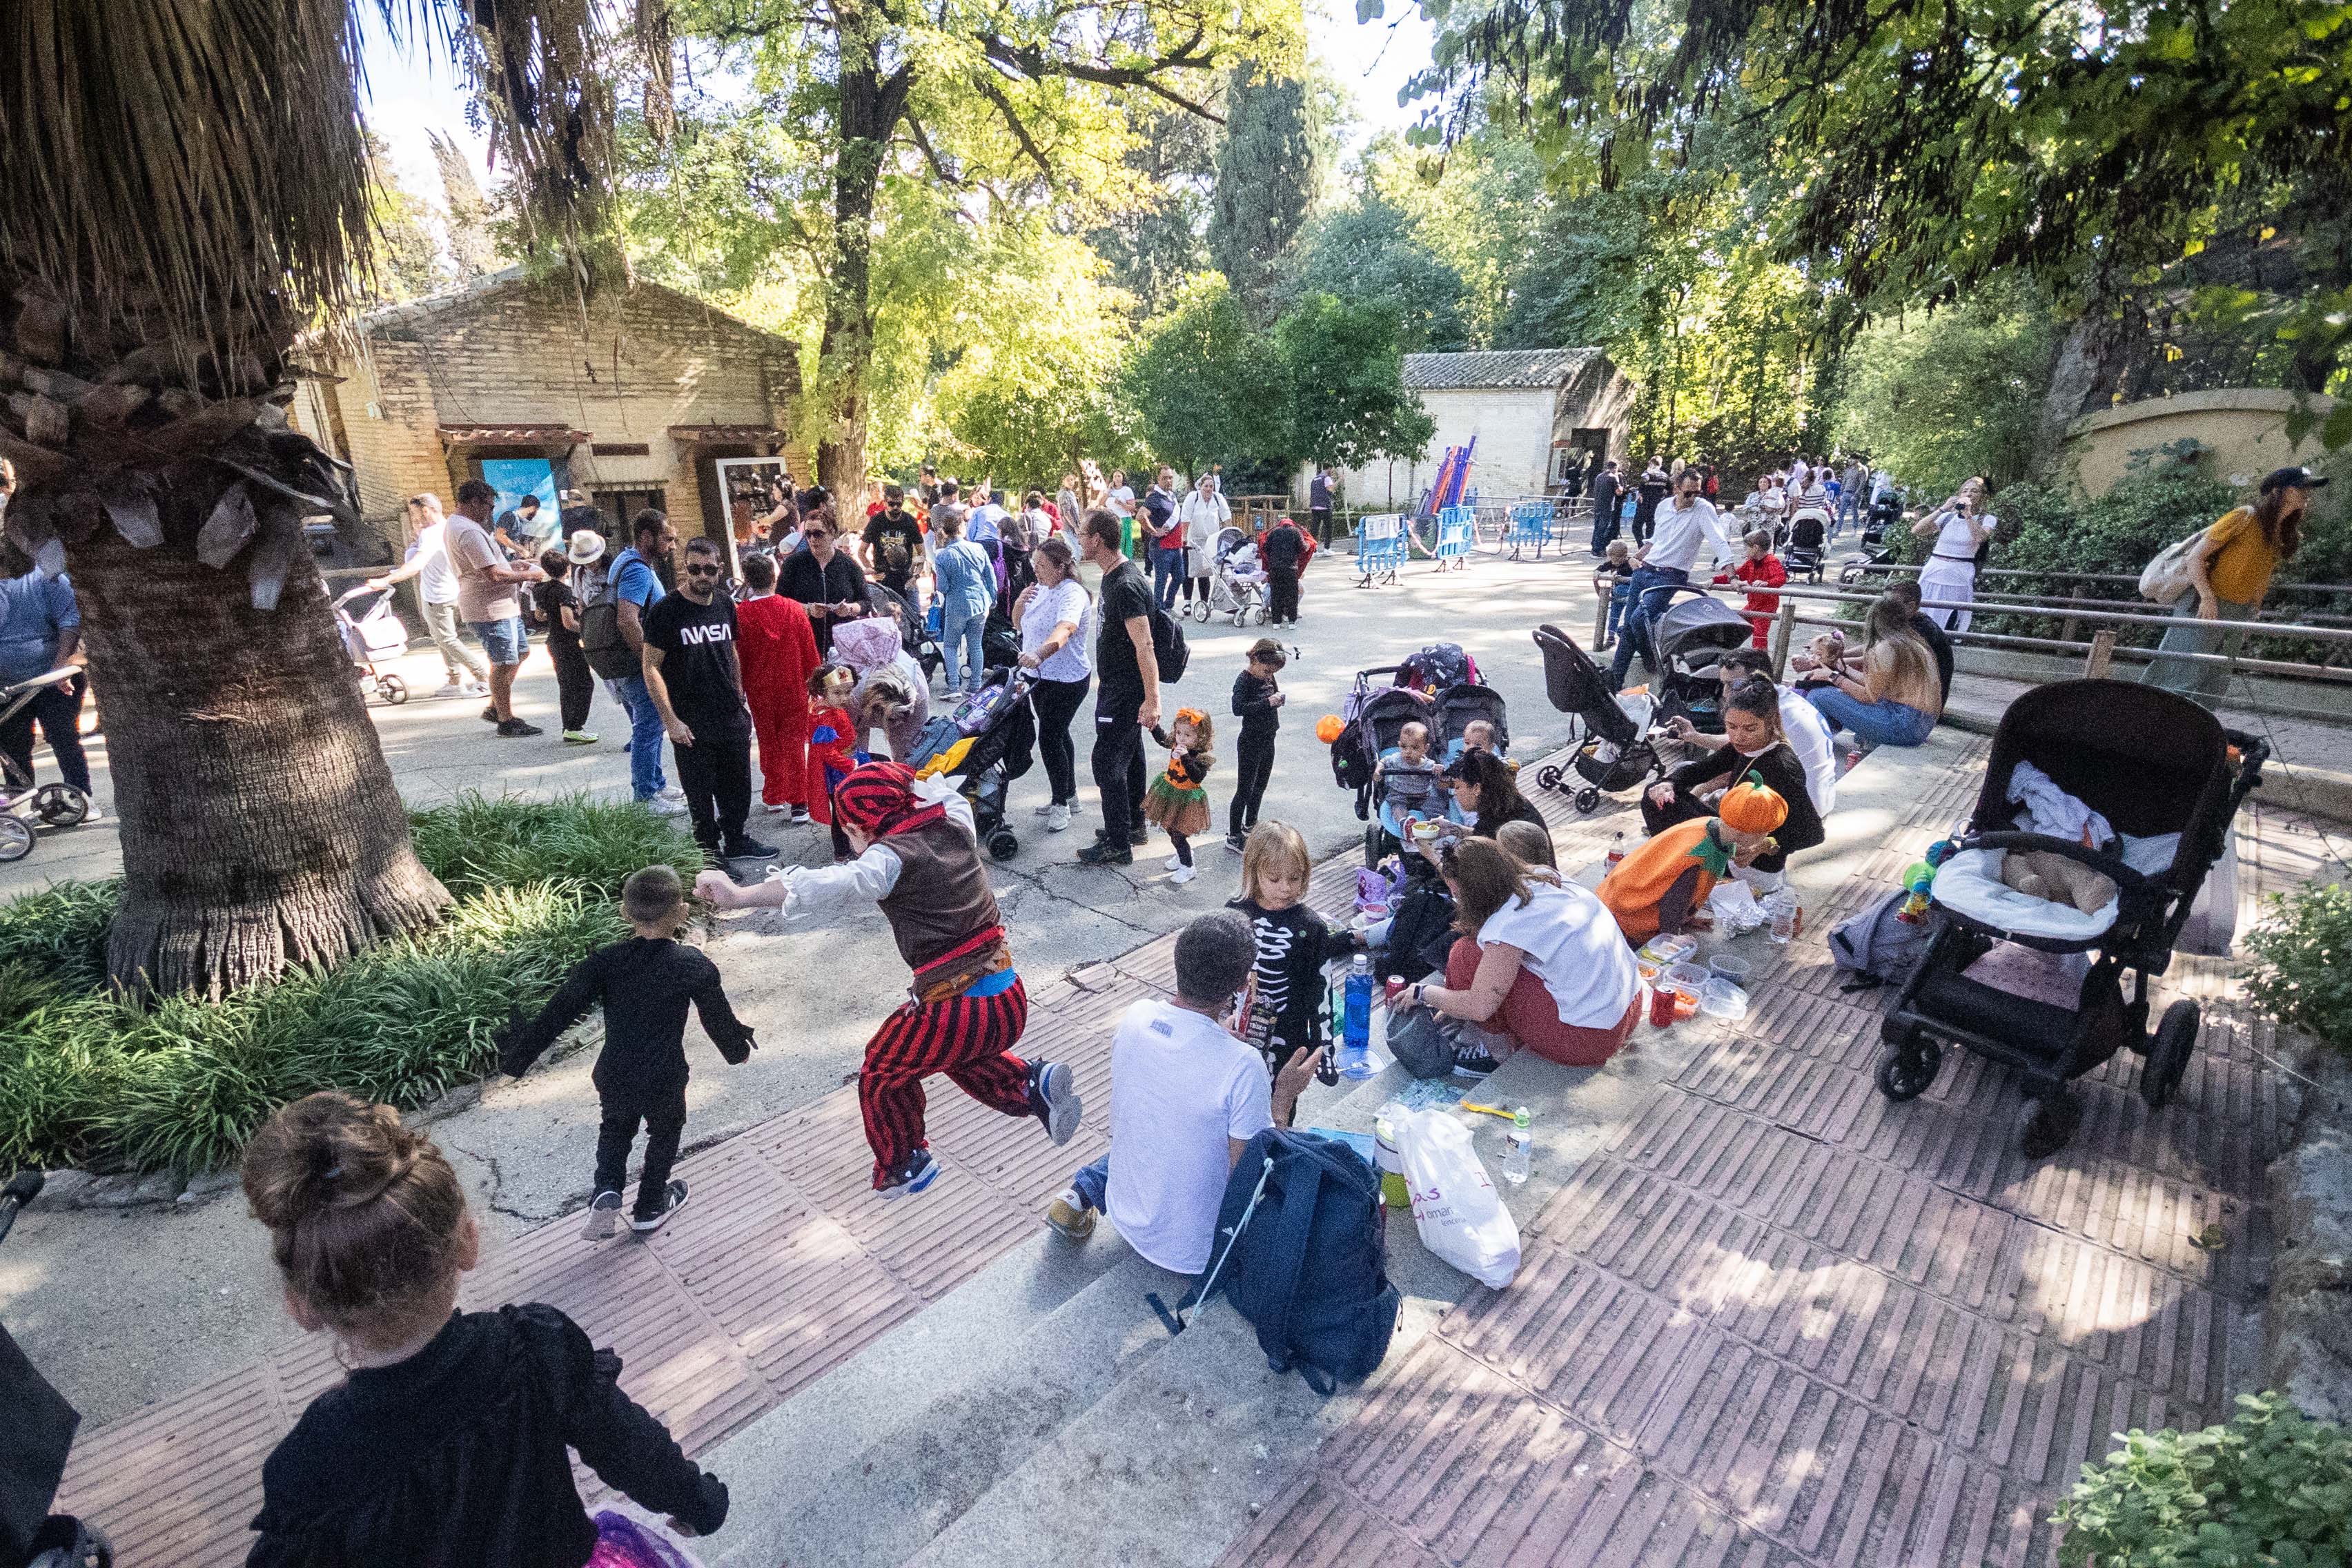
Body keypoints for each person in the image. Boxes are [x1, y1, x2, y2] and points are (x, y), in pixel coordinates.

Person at [239, 1090, 729, 1565]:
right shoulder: (537, 1348)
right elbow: (625, 1443)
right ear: (467, 1243)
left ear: (303, 1308)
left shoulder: (311, 1464)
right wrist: (697, 1502)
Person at [698, 761, 1084, 1196]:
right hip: (1008, 996)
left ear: (861, 828)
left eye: (848, 831)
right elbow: (933, 788)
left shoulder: (888, 860)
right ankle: (1032, 1086)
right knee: (949, 1055)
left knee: (882, 1069)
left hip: (954, 1006)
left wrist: (740, 896)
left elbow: (829, 885)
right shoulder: (956, 820)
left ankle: (905, 1163)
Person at [495, 865, 755, 1236]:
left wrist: (518, 1058)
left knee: (616, 1129)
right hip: (664, 1072)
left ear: (624, 912)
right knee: (665, 1131)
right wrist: (736, 1051)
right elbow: (717, 1017)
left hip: (615, 1070)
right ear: (681, 912)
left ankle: (607, 1189)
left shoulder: (603, 962)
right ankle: (650, 1203)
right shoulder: (691, 964)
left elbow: (559, 1011)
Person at [1042, 910, 1319, 1257]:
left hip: (1127, 1217)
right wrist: (1283, 1099)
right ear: (1240, 985)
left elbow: (1182, 1063)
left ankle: (1081, 1192)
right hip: (1197, 1251)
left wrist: (1216, 1034)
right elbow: (1252, 1179)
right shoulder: (1245, 1066)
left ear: (1178, 961)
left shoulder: (1135, 1017)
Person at [1398, 836, 1642, 1069]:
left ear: (1473, 893)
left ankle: (1496, 1051)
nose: (1458, 900)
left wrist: (1423, 992)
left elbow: (1480, 1006)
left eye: (1458, 894)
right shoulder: (1545, 877)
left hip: (1588, 1039)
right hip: (1630, 1006)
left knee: (1465, 954)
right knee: (1480, 960)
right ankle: (1466, 1020)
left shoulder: (1507, 924)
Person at [641, 537, 777, 866]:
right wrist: (670, 720)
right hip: (691, 719)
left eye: (709, 569)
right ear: (685, 568)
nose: (702, 576)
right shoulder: (666, 612)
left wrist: (739, 690)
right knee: (700, 795)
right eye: (694, 569)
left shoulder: (725, 605)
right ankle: (709, 853)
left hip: (729, 713)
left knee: (738, 787)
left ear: (719, 569)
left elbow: (731, 649)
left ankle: (736, 839)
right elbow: (650, 666)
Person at [2142, 465, 2322, 707]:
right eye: (2301, 487)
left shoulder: (2281, 533)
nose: (2307, 493)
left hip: (2240, 611)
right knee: (2179, 674)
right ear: (2279, 490)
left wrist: (2252, 615)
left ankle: (2199, 738)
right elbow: (2195, 558)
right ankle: (2147, 727)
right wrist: (2207, 598)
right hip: (2205, 606)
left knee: (2216, 682)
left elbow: (2261, 579)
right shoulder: (2244, 517)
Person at [1645, 679, 1826, 883]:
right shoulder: (1744, 746)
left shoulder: (1782, 765)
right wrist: (1668, 783)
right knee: (1655, 794)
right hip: (1729, 834)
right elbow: (1702, 770)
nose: (1739, 736)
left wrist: (1763, 846)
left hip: (1752, 862)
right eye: (1732, 726)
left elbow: (1813, 833)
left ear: (1770, 724)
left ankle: (1688, 871)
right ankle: (1678, 862)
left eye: (1750, 729)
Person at [1598, 778, 1788, 944]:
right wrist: (1672, 937)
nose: (1767, 835)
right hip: (1623, 919)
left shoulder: (1711, 824)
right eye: (1765, 831)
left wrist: (1687, 917)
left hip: (1612, 898)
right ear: (1747, 830)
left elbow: (1679, 892)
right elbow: (1673, 903)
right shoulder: (1698, 859)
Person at [1227, 823, 1353, 1067]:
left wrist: (1322, 1051)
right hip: (1239, 1029)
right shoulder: (1236, 912)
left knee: (1283, 1095)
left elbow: (1322, 991)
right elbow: (1217, 975)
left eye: (1294, 878)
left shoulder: (1310, 926)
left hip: (1289, 1033)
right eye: (1274, 878)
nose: (1285, 887)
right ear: (1253, 872)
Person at [1077, 509, 1161, 867]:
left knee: (1107, 762)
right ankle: (1133, 826)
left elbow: (1146, 646)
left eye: (1082, 533)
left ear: (1097, 539)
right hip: (1119, 686)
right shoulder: (1114, 576)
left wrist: (1153, 700)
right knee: (1132, 756)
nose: (1079, 539)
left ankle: (1117, 842)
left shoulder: (1125, 584)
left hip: (1124, 691)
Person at [1610, 467, 1738, 690]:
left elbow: (1719, 541)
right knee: (1630, 625)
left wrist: (1732, 576)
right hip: (1646, 569)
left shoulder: (1703, 510)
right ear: (1676, 489)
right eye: (1689, 493)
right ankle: (1614, 680)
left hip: (1671, 574)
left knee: (1639, 619)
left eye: (1697, 493)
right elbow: (1656, 539)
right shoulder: (1663, 507)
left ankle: (1652, 655)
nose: (1693, 498)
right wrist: (1636, 557)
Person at [1678, 647, 1839, 817]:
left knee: (1691, 782)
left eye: (1735, 685)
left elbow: (1731, 765)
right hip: (1817, 802)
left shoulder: (1774, 712)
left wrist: (1698, 792)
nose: (1726, 693)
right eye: (1724, 684)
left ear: (1761, 680)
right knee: (1692, 774)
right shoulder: (1783, 699)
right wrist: (1695, 737)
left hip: (1797, 814)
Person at [444, 480, 546, 736]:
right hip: (490, 608)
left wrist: (517, 567)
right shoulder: (467, 531)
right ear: (473, 502)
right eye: (488, 506)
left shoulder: (466, 527)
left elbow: (492, 568)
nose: (490, 512)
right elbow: (493, 575)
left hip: (504, 606)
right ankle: (505, 719)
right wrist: (529, 577)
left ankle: (496, 707)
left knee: (520, 653)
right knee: (503, 662)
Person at [604, 509, 685, 817]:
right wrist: (648, 663)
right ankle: (646, 795)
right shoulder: (637, 570)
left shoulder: (624, 560)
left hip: (624, 663)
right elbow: (628, 620)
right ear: (647, 537)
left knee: (648, 725)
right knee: (649, 726)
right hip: (636, 664)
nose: (673, 546)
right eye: (668, 539)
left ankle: (656, 782)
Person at [368, 494, 488, 698]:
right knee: (443, 639)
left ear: (425, 510)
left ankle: (483, 678)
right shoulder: (450, 526)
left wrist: (385, 581)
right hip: (454, 590)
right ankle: (454, 679)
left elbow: (415, 565)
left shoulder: (431, 534)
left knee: (447, 639)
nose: (415, 520)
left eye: (415, 514)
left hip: (438, 595)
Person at [0, 554, 93, 813]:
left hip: (52, 677)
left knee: (63, 736)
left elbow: (70, 621)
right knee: (12, 745)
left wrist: (61, 665)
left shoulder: (46, 578)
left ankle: (81, 797)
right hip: (7, 687)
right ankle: (22, 807)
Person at [1796, 594, 1944, 751]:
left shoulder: (1885, 648)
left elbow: (1868, 696)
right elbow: (1875, 686)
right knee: (1835, 695)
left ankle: (1813, 748)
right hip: (1922, 724)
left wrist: (1832, 676)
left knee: (1819, 696)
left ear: (1873, 620)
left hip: (1904, 725)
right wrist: (1842, 668)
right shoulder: (1912, 643)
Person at [734, 551, 821, 821]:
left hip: (759, 689)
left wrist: (740, 688)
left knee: (768, 741)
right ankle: (799, 801)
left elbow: (738, 657)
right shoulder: (794, 610)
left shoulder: (741, 615)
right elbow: (810, 652)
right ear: (775, 577)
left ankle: (774, 794)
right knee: (795, 743)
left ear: (747, 580)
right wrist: (816, 683)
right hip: (793, 686)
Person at [1015, 535, 1092, 833]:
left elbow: (1065, 630)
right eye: (1035, 563)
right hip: (1039, 678)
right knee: (1058, 735)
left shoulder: (1071, 593)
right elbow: (1018, 625)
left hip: (1066, 678)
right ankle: (1069, 795)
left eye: (1042, 565)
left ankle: (1061, 803)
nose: (1036, 569)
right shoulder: (1042, 588)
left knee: (1049, 738)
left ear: (1060, 567)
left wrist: (1039, 653)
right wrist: (1020, 604)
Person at [531, 538, 601, 745]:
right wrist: (587, 630)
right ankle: (575, 726)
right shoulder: (563, 592)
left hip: (553, 641)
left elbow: (539, 616)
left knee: (567, 685)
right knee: (584, 683)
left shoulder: (541, 589)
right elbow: (568, 622)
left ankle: (569, 726)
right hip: (567, 644)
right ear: (568, 569)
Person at [776, 506, 868, 656]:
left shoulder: (848, 565)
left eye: (818, 534)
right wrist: (807, 609)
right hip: (804, 642)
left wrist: (849, 608)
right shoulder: (793, 564)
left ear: (832, 534)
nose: (812, 539)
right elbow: (780, 603)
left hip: (842, 645)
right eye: (808, 534)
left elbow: (866, 602)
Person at [1910, 477, 1995, 631]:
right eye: (1965, 490)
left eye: (1974, 491)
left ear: (1982, 497)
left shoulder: (1987, 519)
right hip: (1935, 568)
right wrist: (1942, 509)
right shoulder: (1947, 517)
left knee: (1951, 614)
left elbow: (1980, 538)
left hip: (1960, 572)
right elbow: (1917, 531)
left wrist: (1968, 515)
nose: (1969, 494)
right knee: (1923, 611)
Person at [1226, 638, 1286, 852]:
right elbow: (1238, 708)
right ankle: (1233, 836)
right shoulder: (1245, 680)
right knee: (1245, 789)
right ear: (1256, 660)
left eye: (1273, 672)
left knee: (1260, 785)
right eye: (1267, 670)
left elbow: (1271, 696)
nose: (1270, 675)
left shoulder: (1269, 678)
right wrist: (1267, 703)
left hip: (1269, 738)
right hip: (1250, 741)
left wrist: (1277, 699)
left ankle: (1251, 823)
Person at [1143, 707, 1215, 884]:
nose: (1181, 738)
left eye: (1187, 735)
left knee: (1178, 833)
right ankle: (1183, 853)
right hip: (1169, 791)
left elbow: (1197, 777)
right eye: (1179, 733)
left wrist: (1185, 757)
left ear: (1201, 737)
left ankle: (1188, 867)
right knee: (1170, 828)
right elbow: (1164, 740)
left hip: (1187, 799)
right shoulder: (1176, 743)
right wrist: (1154, 727)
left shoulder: (1201, 757)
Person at [932, 507, 996, 696]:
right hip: (980, 603)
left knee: (951, 646)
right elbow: (990, 577)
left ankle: (954, 686)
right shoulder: (978, 548)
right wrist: (992, 599)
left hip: (957, 605)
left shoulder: (942, 556)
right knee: (975, 645)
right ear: (962, 527)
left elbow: (942, 587)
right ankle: (975, 686)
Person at [1434, 747, 1544, 847]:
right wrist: (1452, 829)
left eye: (1457, 787)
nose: (1455, 793)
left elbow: (1487, 846)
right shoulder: (1509, 805)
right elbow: (1485, 837)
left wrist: (1429, 854)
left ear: (1477, 788)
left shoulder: (1498, 821)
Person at [805, 663, 861, 858]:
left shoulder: (832, 708)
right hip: (836, 769)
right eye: (838, 693)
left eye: (847, 692)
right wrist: (851, 765)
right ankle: (842, 853)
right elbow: (826, 753)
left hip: (845, 761)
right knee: (840, 813)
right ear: (823, 691)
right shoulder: (823, 717)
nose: (844, 698)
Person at [1881, 578, 1954, 705]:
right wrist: (1844, 654)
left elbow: (1881, 657)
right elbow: (1876, 647)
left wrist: (1841, 662)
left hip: (1920, 706)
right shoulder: (1909, 622)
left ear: (1910, 606)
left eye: (1890, 604)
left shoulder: (1921, 630)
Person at [1721, 528, 1787, 648]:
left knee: (1759, 635)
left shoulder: (1772, 562)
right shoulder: (1751, 563)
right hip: (1753, 604)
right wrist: (1715, 580)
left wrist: (1766, 583)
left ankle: (1761, 662)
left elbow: (1781, 578)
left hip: (1766, 606)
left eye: (1746, 547)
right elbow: (1737, 574)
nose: (1744, 550)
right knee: (1737, 624)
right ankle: (1729, 650)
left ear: (1755, 548)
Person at [1177, 473, 1230, 606]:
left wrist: (1229, 534)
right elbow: (1186, 517)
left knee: (1205, 572)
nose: (1209, 489)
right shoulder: (1193, 497)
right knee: (1190, 571)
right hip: (1193, 540)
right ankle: (1187, 602)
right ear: (1200, 487)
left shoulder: (1218, 498)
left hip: (1210, 540)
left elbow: (1226, 516)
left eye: (1211, 486)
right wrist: (1184, 537)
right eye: (1206, 486)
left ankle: (1204, 602)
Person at [1259, 511, 1311, 625]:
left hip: (1275, 569)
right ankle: (1292, 621)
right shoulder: (1296, 532)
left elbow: (1265, 548)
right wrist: (1309, 545)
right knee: (1292, 594)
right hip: (1290, 569)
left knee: (1276, 594)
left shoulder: (1273, 533)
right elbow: (1303, 548)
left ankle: (1276, 622)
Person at [1596, 537, 1634, 646]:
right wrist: (1597, 572)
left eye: (1620, 558)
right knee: (1613, 615)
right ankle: (1611, 636)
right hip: (1616, 595)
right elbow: (1603, 567)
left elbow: (1625, 570)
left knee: (1628, 614)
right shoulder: (1611, 563)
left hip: (1628, 592)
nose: (1616, 561)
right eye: (1614, 559)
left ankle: (1626, 635)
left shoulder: (1629, 563)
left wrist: (1618, 573)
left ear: (1625, 556)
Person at [1632, 456, 1671, 545]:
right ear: (1660, 464)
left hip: (1644, 505)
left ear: (1651, 463)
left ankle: (1641, 546)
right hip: (1656, 506)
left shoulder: (1648, 473)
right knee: (1651, 529)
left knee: (1636, 527)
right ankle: (1648, 549)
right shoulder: (1665, 476)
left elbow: (1641, 486)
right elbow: (1670, 490)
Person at [1587, 460, 1623, 555]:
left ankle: (1594, 546)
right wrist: (1621, 485)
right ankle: (1599, 549)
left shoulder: (1599, 476)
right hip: (1607, 506)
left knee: (1597, 526)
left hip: (1598, 504)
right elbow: (1619, 492)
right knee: (1604, 528)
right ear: (1615, 468)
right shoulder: (1613, 478)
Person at [492, 493, 545, 558]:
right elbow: (499, 536)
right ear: (532, 508)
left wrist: (525, 551)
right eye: (536, 510)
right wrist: (521, 550)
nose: (536, 514)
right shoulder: (509, 515)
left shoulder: (519, 522)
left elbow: (513, 541)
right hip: (499, 557)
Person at [1309, 464, 1336, 545]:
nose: (1332, 472)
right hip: (1324, 507)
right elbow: (1331, 489)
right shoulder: (1326, 478)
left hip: (1314, 507)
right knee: (1329, 528)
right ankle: (1327, 549)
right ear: (1329, 469)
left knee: (1314, 529)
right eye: (1332, 470)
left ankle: (1314, 550)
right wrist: (1339, 480)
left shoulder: (1315, 479)